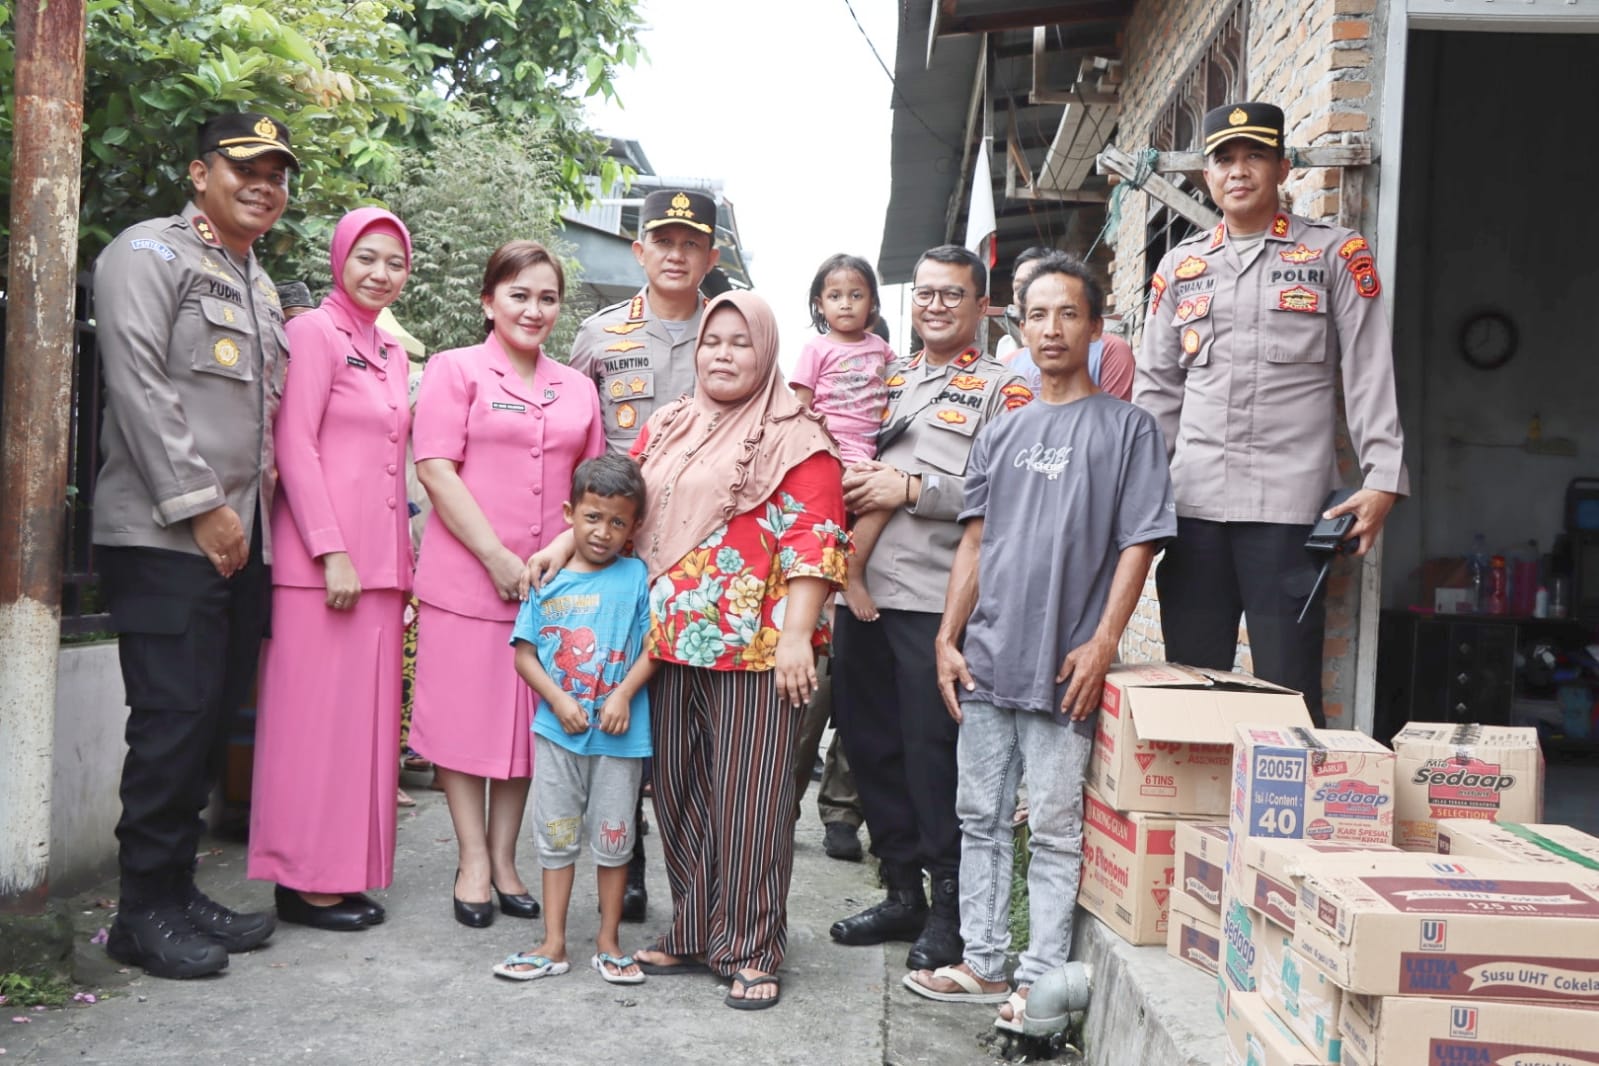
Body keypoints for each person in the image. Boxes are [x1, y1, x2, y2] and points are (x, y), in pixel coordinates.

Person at [528, 291, 847, 1009]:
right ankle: (697, 930)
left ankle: (752, 947)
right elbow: (623, 506)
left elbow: (815, 540)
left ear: (766, 351)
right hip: (664, 644)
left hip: (756, 650)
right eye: (712, 341)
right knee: (678, 794)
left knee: (750, 804)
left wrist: (798, 635)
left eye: (740, 342)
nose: (722, 355)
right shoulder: (671, 422)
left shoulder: (798, 437)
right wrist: (558, 545)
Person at [905, 253, 1176, 1029]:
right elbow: (974, 541)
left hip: (1065, 664)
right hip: (987, 659)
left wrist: (1103, 641)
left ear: (1095, 326)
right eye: (1036, 315)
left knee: (1054, 829)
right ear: (1018, 329)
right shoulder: (1002, 430)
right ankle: (983, 962)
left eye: (1067, 313)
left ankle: (1038, 977)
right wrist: (947, 638)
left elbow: (1139, 543)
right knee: (979, 817)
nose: (1051, 329)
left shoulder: (1127, 429)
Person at [92, 112, 298, 978]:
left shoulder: (258, 283)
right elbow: (139, 383)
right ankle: (140, 913)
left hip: (241, 542)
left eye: (276, 175)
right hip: (164, 535)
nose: (263, 185)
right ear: (199, 172)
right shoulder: (149, 253)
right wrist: (202, 505)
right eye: (246, 168)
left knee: (209, 725)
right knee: (170, 724)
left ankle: (176, 893)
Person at [1132, 102, 1408, 725]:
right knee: (1190, 694)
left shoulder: (1335, 254)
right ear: (1207, 176)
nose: (1239, 171)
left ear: (1282, 168)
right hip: (1193, 509)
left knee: (1289, 695)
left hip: (1288, 512)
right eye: (1224, 159)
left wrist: (1383, 479)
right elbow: (1156, 393)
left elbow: (1368, 370)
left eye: (1254, 155)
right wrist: (1136, 496)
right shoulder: (1181, 266)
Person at [829, 245, 1031, 974]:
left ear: (982, 306)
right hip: (860, 596)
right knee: (870, 746)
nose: (935, 306)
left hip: (936, 601)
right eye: (924, 293)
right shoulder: (882, 377)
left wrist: (914, 491)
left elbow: (1012, 492)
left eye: (951, 294)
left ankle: (950, 910)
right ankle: (899, 892)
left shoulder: (1004, 390)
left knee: (930, 755)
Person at [410, 241, 606, 927]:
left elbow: (592, 490)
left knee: (526, 729)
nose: (533, 309)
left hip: (548, 584)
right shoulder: (455, 369)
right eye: (519, 295)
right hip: (466, 578)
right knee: (463, 723)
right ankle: (470, 859)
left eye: (547, 298)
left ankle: (504, 859)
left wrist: (558, 549)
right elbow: (435, 467)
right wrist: (494, 555)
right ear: (488, 300)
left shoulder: (577, 387)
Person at [247, 207, 415, 931]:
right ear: (340, 258)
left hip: (379, 571)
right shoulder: (314, 332)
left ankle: (341, 874)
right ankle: (300, 878)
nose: (380, 273)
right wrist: (330, 549)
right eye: (367, 258)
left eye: (395, 263)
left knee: (362, 735)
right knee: (310, 729)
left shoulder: (391, 351)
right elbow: (295, 444)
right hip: (323, 570)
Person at [568, 187, 723, 922]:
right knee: (616, 705)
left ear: (711, 257)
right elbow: (573, 442)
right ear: (639, 249)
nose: (676, 254)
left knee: (689, 724)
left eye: (691, 243)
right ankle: (621, 861)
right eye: (664, 240)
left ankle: (693, 872)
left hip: (704, 558)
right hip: (616, 556)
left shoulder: (728, 334)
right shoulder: (599, 335)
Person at [493, 455, 654, 984]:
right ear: (569, 514)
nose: (603, 532)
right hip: (558, 737)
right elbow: (524, 656)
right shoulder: (548, 580)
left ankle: (609, 941)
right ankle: (553, 941)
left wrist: (624, 694)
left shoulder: (636, 577)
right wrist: (558, 700)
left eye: (617, 522)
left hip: (620, 740)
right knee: (556, 836)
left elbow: (654, 647)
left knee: (615, 840)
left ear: (634, 527)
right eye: (592, 517)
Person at [789, 253, 893, 623]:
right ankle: (851, 570)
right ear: (820, 304)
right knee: (874, 501)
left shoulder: (880, 348)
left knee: (882, 496)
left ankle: (838, 585)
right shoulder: (817, 348)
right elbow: (800, 406)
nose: (845, 304)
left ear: (872, 302)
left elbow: (899, 385)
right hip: (831, 447)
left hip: (870, 447)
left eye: (855, 295)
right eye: (835, 296)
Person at [996, 247, 1136, 400]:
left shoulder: (1108, 351)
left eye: (1068, 314)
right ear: (1023, 330)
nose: (1052, 330)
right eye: (1019, 287)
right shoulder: (1006, 367)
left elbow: (1113, 412)